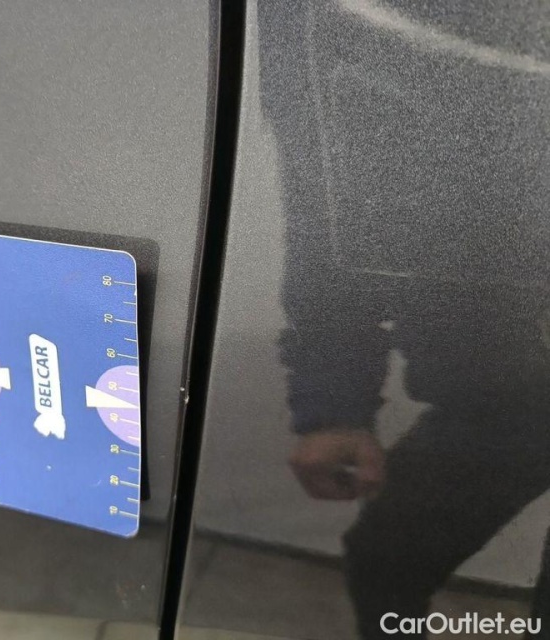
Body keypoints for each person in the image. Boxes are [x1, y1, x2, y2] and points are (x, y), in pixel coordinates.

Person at [259, 1, 550, 638]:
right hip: (502, 385)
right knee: (384, 562)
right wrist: (335, 396)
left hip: (498, 372)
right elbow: (330, 187)